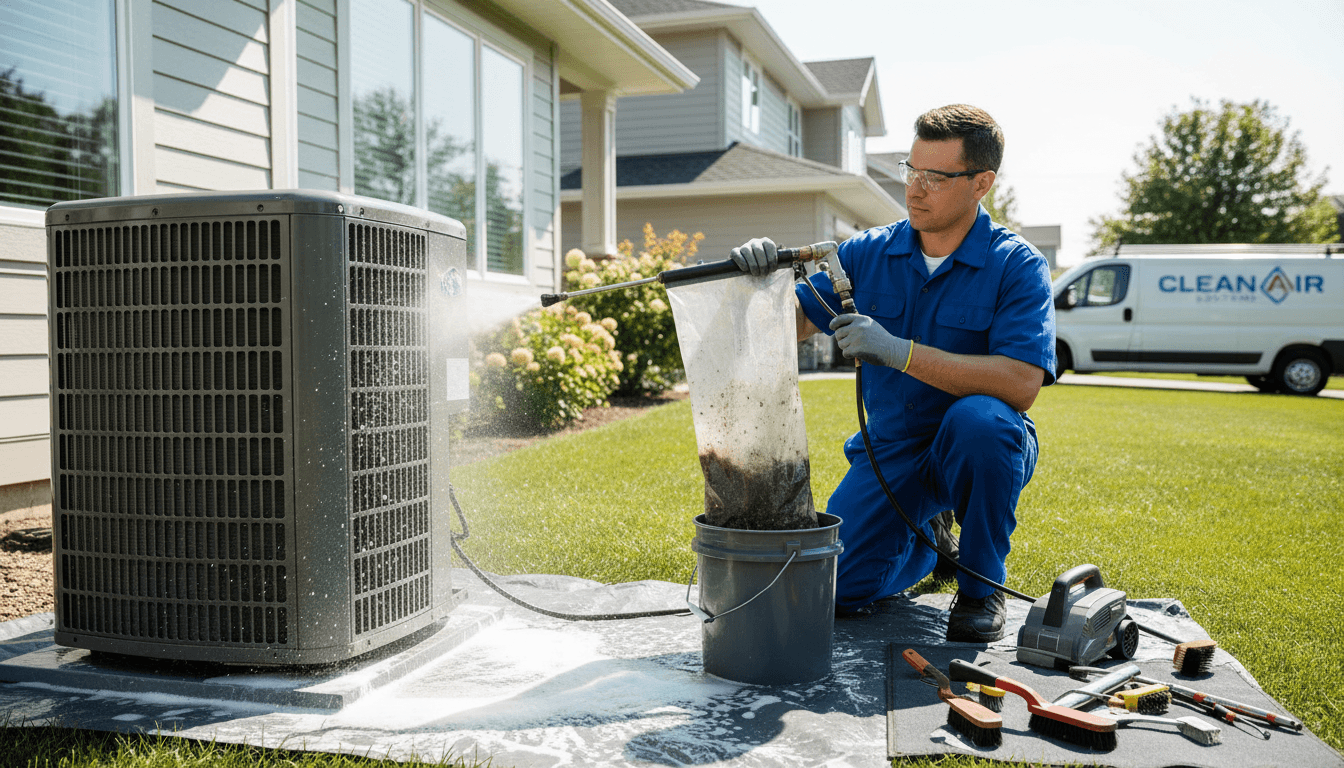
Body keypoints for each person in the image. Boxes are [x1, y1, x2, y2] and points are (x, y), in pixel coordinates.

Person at [730, 104, 1055, 642]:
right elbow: (793, 324)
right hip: (892, 448)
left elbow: (1021, 384)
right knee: (833, 590)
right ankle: (930, 541)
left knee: (982, 422)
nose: (915, 190)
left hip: (978, 445)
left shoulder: (1016, 265)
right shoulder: (868, 252)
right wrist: (760, 286)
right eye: (911, 170)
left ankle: (980, 585)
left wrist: (901, 352)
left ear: (981, 183)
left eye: (936, 178)